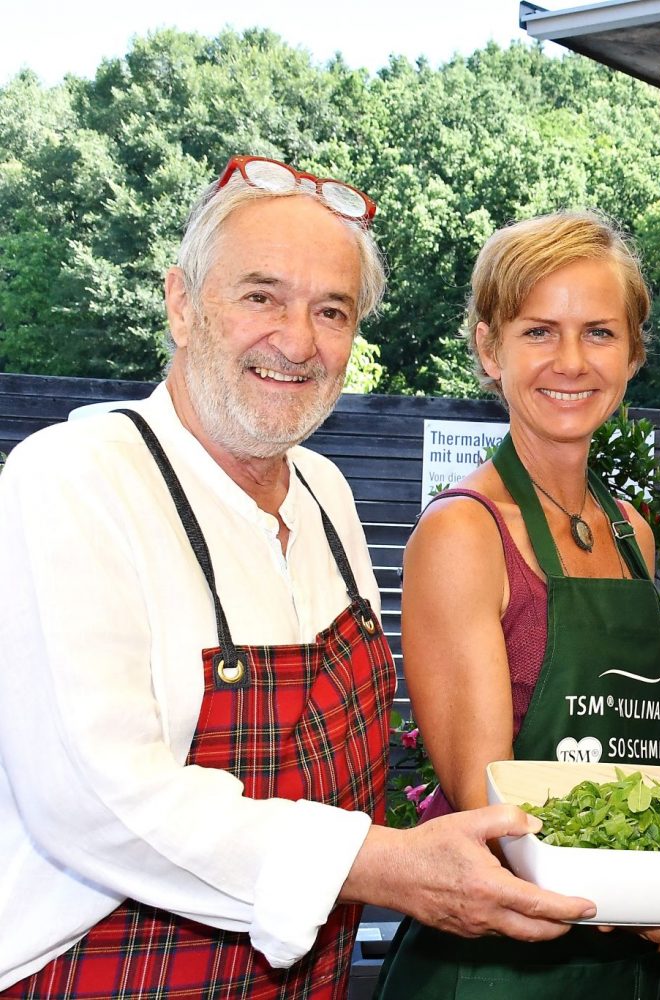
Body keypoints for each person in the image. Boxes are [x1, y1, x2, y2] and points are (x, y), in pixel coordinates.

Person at [0, 157, 594, 998]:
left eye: (332, 311)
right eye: (262, 297)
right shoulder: (75, 477)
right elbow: (94, 803)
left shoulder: (325, 491)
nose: (298, 341)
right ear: (181, 303)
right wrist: (379, 864)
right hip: (105, 972)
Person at [375, 211, 660, 999]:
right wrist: (658, 900)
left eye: (599, 333)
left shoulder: (633, 533)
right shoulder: (464, 533)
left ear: (634, 353)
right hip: (497, 965)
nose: (571, 361)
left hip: (625, 962)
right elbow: (488, 806)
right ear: (490, 349)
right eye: (539, 331)